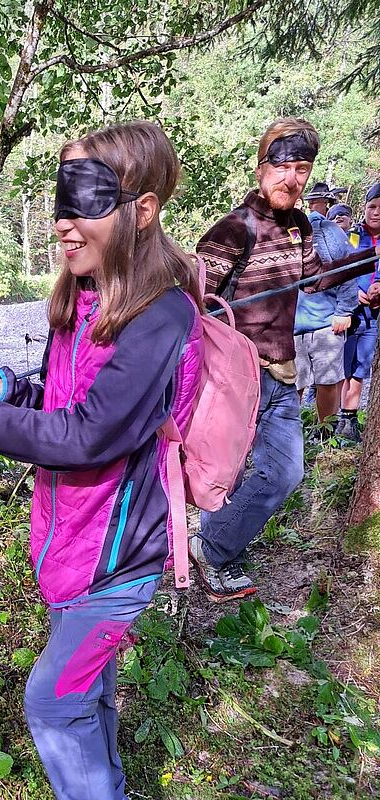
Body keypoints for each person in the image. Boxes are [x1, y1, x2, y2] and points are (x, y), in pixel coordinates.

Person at [0, 121, 205, 800]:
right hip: (72, 546)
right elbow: (73, 397)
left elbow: (85, 435)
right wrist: (9, 388)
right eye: (61, 202)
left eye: (87, 202)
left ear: (143, 210)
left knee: (53, 701)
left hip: (117, 564)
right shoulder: (88, 298)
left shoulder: (160, 318)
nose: (65, 224)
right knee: (85, 692)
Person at [191, 118, 379, 602]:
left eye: (302, 168)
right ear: (260, 170)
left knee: (286, 471)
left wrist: (369, 268)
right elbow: (193, 303)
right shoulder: (233, 229)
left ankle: (211, 546)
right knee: (221, 472)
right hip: (237, 375)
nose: (291, 179)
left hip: (283, 372)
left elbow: (314, 280)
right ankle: (202, 552)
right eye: (281, 167)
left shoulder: (299, 225)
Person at [294, 182, 357, 424]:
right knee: (292, 382)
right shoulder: (289, 229)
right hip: (294, 323)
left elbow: (347, 270)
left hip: (325, 321)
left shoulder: (331, 231)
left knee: (327, 381)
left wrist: (343, 311)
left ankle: (325, 432)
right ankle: (290, 432)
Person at [337, 182, 380, 441]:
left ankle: (350, 419)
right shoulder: (351, 237)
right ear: (363, 208)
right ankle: (335, 421)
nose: (376, 212)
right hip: (348, 313)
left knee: (361, 366)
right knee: (343, 364)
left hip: (372, 316)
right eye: (372, 207)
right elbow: (338, 271)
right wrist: (354, 293)